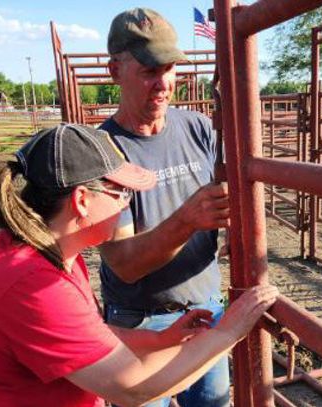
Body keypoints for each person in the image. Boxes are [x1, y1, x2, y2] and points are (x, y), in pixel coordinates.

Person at [0, 123, 278, 407]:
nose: (126, 204)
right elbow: (132, 387)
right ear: (82, 200)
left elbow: (89, 333)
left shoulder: (45, 251)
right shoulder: (35, 284)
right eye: (121, 192)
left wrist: (159, 339)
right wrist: (228, 332)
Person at [99, 8, 231, 407]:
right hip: (141, 320)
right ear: (115, 71)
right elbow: (123, 262)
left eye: (170, 68)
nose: (163, 83)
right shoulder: (103, 151)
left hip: (206, 308)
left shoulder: (197, 127)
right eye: (149, 70)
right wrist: (188, 219)